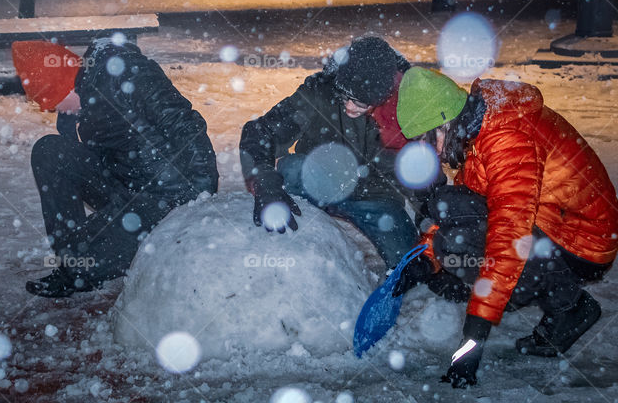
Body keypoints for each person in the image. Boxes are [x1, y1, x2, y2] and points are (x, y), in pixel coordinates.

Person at [390, 67, 618, 387]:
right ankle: (543, 289)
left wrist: (472, 343)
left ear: (443, 125)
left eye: (426, 140)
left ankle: (570, 305)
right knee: (446, 208)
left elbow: (510, 239)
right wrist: (426, 258)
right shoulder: (475, 124)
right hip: (550, 218)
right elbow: (462, 205)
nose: (429, 152)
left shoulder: (508, 140)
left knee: (461, 247)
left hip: (582, 240)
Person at [26, 38, 218, 298]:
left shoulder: (126, 72)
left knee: (87, 262)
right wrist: (70, 126)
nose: (53, 110)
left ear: (62, 86)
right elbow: (95, 154)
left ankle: (82, 267)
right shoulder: (88, 91)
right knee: (49, 150)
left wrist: (203, 198)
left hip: (169, 197)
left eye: (52, 103)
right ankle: (75, 261)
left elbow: (186, 125)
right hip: (128, 188)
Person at [239, 36, 418, 269]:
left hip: (376, 197)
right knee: (292, 168)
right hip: (319, 180)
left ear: (383, 97)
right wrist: (262, 177)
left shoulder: (405, 107)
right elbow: (261, 131)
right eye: (346, 97)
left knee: (409, 262)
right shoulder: (320, 91)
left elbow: (422, 174)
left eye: (361, 103)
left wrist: (434, 240)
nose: (350, 107)